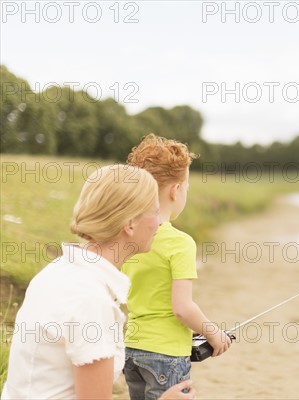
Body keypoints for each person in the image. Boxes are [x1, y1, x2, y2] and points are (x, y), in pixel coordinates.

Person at [1, 164, 195, 400]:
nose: (159, 223)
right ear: (130, 223)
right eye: (155, 212)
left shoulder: (57, 271)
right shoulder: (90, 300)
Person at [122, 134, 231, 400]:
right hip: (166, 355)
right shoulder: (180, 243)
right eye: (187, 187)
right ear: (176, 190)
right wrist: (212, 332)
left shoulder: (127, 235)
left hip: (131, 350)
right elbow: (182, 309)